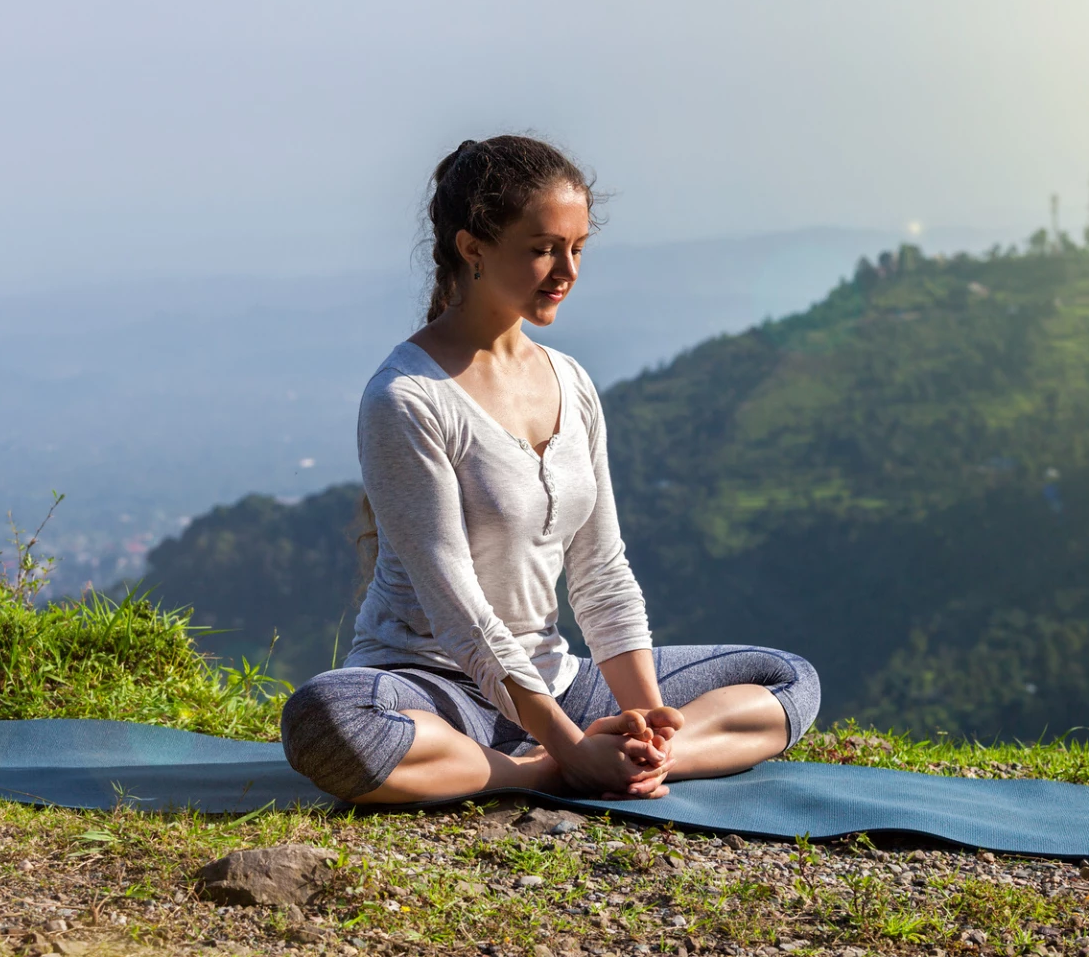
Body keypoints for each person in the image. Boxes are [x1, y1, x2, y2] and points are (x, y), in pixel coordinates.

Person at [281, 135, 820, 803]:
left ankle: (643, 762)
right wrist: (566, 749)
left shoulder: (570, 381)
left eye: (577, 248)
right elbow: (461, 618)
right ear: (472, 248)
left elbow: (601, 573)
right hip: (438, 688)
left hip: (559, 681)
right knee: (327, 720)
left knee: (786, 679)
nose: (565, 269)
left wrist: (646, 722)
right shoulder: (407, 398)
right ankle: (541, 772)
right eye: (541, 249)